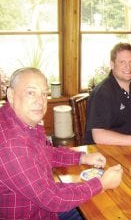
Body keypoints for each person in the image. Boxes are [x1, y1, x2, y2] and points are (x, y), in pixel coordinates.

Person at [0, 67, 123, 220]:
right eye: (31, 92)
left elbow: (46, 152)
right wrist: (102, 184)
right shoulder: (12, 144)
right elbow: (51, 198)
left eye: (44, 94)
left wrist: (82, 157)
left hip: (44, 209)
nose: (40, 101)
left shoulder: (20, 123)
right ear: (11, 95)